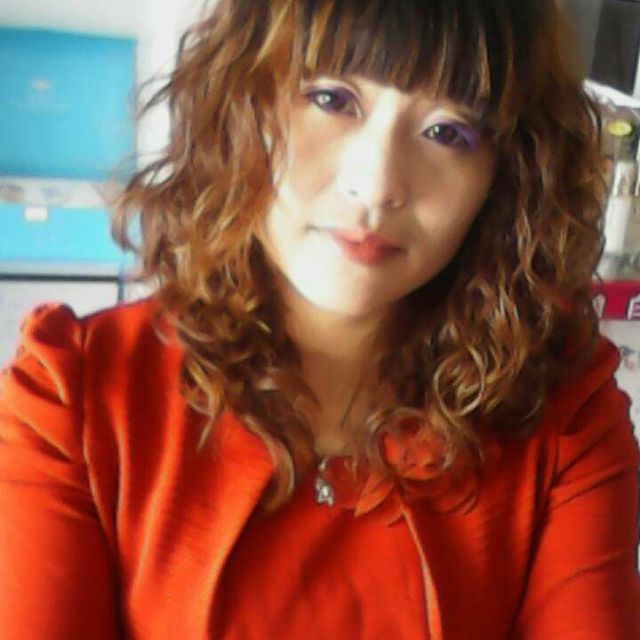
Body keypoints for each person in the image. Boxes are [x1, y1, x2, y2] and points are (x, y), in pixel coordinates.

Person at [1, 0, 638, 638]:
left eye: (448, 133)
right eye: (332, 100)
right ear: (241, 103)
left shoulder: (565, 410)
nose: (377, 184)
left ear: (505, 178)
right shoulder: (72, 399)